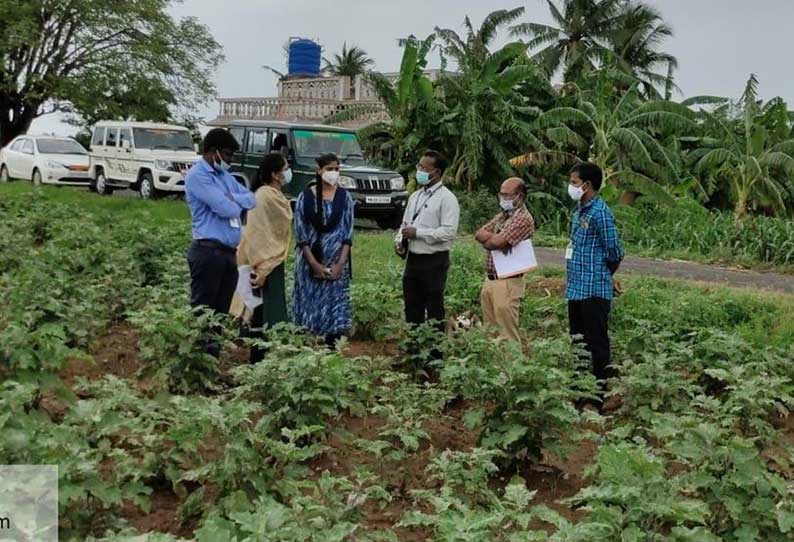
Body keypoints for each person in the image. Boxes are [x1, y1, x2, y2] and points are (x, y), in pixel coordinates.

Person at [185, 128, 256, 354]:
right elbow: (224, 208)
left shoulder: (225, 177)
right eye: (226, 154)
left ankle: (211, 361)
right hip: (207, 252)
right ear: (212, 152)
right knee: (203, 312)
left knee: (219, 313)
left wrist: (232, 198)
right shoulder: (198, 176)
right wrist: (235, 203)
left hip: (228, 253)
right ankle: (197, 362)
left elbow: (251, 199)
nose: (229, 160)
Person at [565, 162, 624, 397]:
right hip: (576, 287)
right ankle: (578, 389)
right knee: (577, 340)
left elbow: (615, 252)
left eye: (574, 183)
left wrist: (603, 275)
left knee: (597, 341)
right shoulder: (580, 210)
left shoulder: (600, 213)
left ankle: (600, 392)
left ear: (587, 185)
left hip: (594, 289)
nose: (571, 187)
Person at [231, 152, 294, 363]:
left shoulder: (274, 197)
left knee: (269, 313)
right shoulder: (263, 197)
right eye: (285, 168)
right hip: (260, 264)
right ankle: (256, 363)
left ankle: (265, 361)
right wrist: (263, 267)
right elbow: (256, 234)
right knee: (259, 313)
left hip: (273, 262)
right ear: (276, 175)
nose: (288, 172)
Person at [292, 153, 354, 346]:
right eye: (329, 169)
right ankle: (306, 349)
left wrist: (340, 264)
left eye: (337, 169)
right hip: (309, 263)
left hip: (337, 263)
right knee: (309, 305)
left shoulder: (345, 197)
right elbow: (300, 233)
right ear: (319, 171)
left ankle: (331, 349)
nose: (333, 173)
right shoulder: (305, 197)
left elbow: (348, 234)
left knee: (334, 306)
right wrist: (314, 264)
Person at [395, 150, 460, 333]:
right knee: (412, 307)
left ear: (437, 172)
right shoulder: (415, 196)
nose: (420, 171)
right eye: (419, 166)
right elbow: (405, 224)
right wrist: (400, 241)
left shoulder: (447, 199)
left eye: (424, 168)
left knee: (434, 308)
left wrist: (419, 233)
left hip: (434, 260)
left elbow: (448, 232)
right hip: (413, 259)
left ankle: (435, 355)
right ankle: (414, 351)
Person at [475, 177, 535, 345]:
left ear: (520, 196)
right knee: (490, 333)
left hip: (508, 282)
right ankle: (495, 370)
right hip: (491, 279)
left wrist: (492, 239)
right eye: (502, 194)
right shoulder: (503, 216)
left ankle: (511, 370)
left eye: (508, 195)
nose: (504, 199)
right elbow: (479, 233)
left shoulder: (522, 218)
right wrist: (493, 238)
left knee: (507, 335)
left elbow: (497, 243)